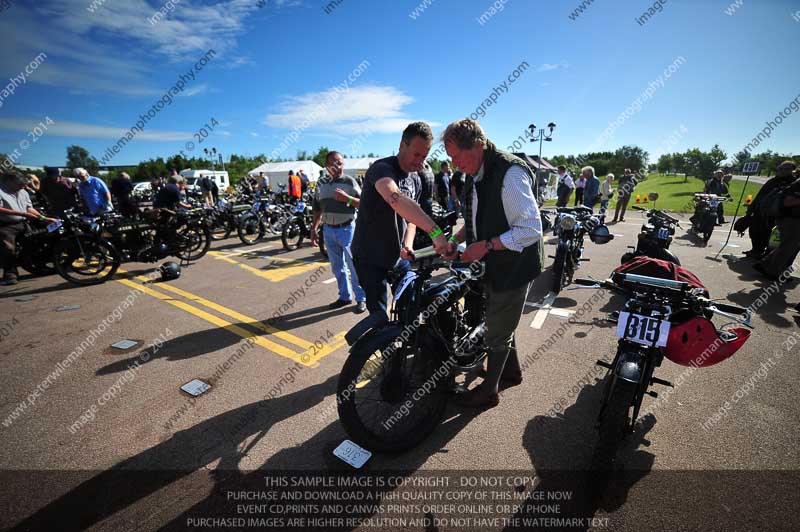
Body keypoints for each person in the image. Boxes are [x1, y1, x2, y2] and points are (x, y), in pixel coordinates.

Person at [441, 119, 542, 408]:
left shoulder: (509, 174)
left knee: (498, 326)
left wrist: (484, 247)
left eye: (457, 156)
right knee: (503, 319)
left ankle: (490, 390)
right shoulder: (476, 171)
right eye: (451, 158)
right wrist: (456, 239)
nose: (455, 163)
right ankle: (511, 370)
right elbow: (476, 218)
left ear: (477, 145)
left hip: (515, 264)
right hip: (497, 260)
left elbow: (530, 229)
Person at [351, 121, 449, 317]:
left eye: (425, 156)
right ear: (402, 145)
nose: (420, 162)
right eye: (416, 154)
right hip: (370, 258)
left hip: (399, 257)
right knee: (380, 318)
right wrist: (435, 232)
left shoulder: (415, 178)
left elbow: (411, 217)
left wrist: (408, 243)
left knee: (411, 309)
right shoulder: (382, 169)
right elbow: (394, 198)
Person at [310, 151, 366, 313]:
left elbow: (364, 204)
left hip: (347, 229)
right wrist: (314, 229)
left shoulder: (350, 182)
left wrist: (347, 199)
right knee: (337, 267)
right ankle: (344, 296)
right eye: (334, 163)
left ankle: (361, 298)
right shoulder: (321, 184)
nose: (338, 166)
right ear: (327, 166)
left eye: (340, 163)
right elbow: (317, 209)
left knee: (354, 266)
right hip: (328, 231)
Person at [0, 172, 58, 285]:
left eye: (23, 185)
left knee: (34, 242)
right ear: (10, 182)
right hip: (6, 226)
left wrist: (44, 218)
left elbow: (29, 208)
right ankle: (10, 275)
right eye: (19, 185)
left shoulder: (22, 191)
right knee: (9, 249)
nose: (22, 187)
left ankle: (37, 265)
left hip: (23, 222)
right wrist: (22, 213)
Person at [741, 161, 797, 258]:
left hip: (778, 214)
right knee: (755, 231)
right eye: (780, 168)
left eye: (785, 169)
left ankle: (768, 255)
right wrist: (751, 208)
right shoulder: (772, 181)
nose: (781, 171)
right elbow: (760, 195)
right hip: (761, 211)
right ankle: (756, 250)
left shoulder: (793, 183)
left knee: (770, 235)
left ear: (792, 170)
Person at [755, 175, 800, 280]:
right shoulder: (797, 186)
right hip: (790, 219)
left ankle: (765, 263)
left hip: (791, 219)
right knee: (790, 245)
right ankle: (773, 271)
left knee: (789, 245)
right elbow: (788, 202)